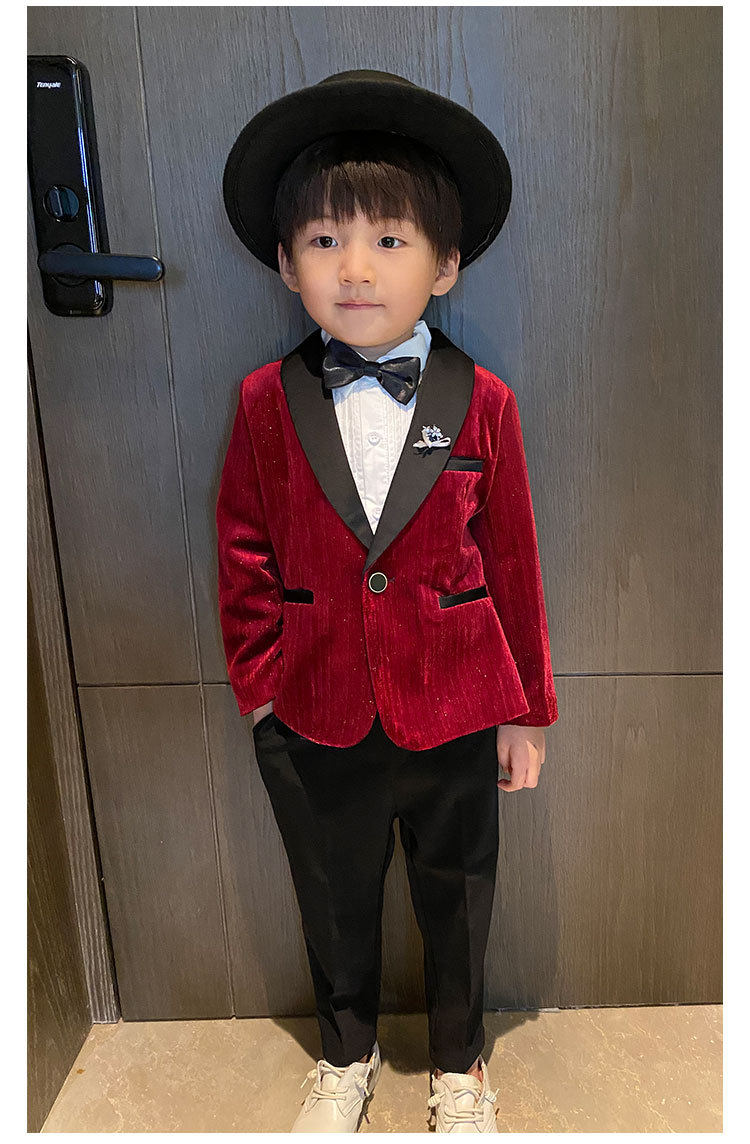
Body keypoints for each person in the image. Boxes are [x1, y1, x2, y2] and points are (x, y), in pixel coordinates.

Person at [217, 69, 559, 1134]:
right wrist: (261, 690)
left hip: (456, 705)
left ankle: (460, 1066)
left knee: (458, 893)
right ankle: (345, 1053)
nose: (355, 267)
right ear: (287, 263)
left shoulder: (484, 400)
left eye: (390, 240)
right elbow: (243, 549)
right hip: (312, 711)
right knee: (332, 894)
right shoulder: (264, 401)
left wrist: (527, 709)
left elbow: (513, 557)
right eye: (324, 240)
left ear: (445, 265)